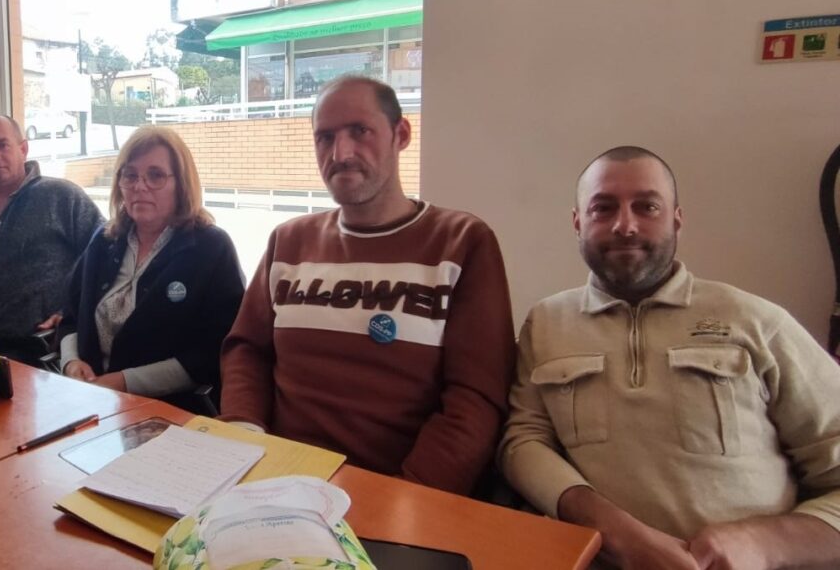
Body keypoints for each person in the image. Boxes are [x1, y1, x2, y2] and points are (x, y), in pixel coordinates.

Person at [500, 146, 840, 570]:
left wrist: (761, 544)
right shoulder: (546, 324)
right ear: (577, 222)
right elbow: (523, 441)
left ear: (677, 219)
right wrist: (614, 532)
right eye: (603, 208)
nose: (625, 225)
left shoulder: (756, 321)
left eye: (647, 207)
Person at [219, 75, 516, 495]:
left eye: (359, 131)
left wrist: (403, 497)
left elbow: (476, 398)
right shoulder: (288, 240)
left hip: (398, 495)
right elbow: (246, 349)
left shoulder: (463, 242)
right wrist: (245, 435)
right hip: (279, 483)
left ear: (401, 135)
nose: (340, 154)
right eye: (325, 137)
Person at [57, 127, 244, 409]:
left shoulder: (211, 249)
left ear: (181, 184)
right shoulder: (104, 240)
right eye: (130, 175)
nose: (139, 186)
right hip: (91, 400)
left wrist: (125, 382)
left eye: (155, 175)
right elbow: (70, 317)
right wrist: (71, 363)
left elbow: (213, 352)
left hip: (169, 410)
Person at [0, 114, 103, 363]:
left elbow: (104, 259)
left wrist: (72, 312)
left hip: (43, 352)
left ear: (23, 149)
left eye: (2, 145)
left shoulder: (62, 198)